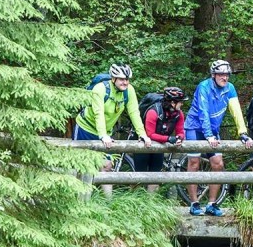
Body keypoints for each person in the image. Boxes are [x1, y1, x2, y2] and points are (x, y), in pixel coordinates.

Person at [184, 60, 251, 216]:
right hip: (195, 128)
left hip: (213, 129)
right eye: (221, 74)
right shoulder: (204, 87)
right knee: (194, 162)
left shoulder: (230, 88)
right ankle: (194, 203)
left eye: (227, 74)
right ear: (213, 75)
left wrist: (242, 132)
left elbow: (236, 110)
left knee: (218, 164)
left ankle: (211, 204)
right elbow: (203, 112)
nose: (225, 78)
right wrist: (208, 135)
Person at [74, 63, 152, 197]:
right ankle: (79, 200)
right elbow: (98, 113)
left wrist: (142, 134)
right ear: (113, 78)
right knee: (82, 166)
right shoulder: (100, 89)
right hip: (85, 128)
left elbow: (134, 112)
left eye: (127, 79)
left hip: (106, 131)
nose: (125, 82)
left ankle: (108, 203)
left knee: (107, 166)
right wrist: (103, 135)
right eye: (121, 79)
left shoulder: (129, 91)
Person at [134, 87, 187, 192]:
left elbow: (180, 131)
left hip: (160, 146)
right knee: (139, 176)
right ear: (172, 102)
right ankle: (135, 202)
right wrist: (168, 138)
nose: (182, 104)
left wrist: (179, 138)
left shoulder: (179, 114)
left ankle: (151, 202)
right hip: (144, 145)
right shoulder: (154, 112)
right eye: (180, 102)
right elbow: (150, 134)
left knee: (155, 176)